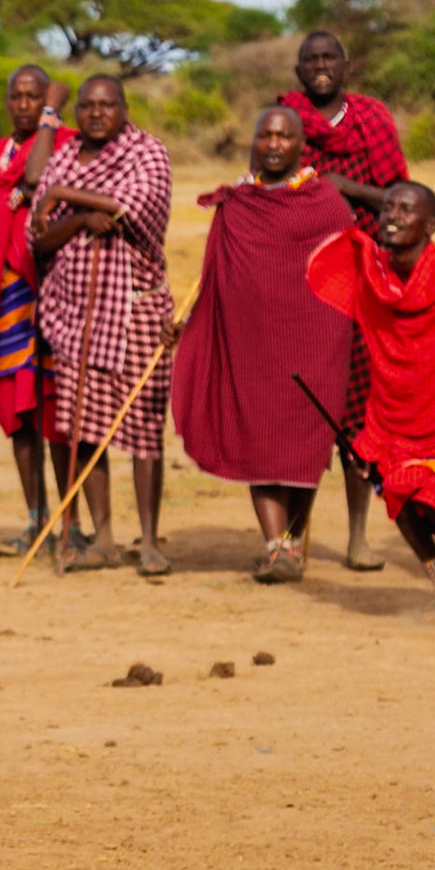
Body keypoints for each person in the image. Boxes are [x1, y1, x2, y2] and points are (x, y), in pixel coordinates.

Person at [308, 182, 435, 626]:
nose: (392, 216)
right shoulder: (374, 274)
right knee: (395, 488)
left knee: (434, 491)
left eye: (406, 209)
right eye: (387, 208)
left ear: (433, 225)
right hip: (396, 410)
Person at [172, 106, 358, 583]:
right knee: (261, 435)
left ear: (301, 145)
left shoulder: (326, 202)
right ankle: (277, 546)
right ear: (253, 141)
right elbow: (216, 273)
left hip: (316, 337)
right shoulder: (237, 202)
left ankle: (292, 541)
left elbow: (345, 269)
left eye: (284, 137)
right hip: (251, 337)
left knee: (306, 439)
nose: (274, 145)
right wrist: (190, 321)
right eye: (265, 136)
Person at [28, 74, 175, 573]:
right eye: (86, 106)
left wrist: (66, 194)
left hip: (135, 309)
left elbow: (133, 208)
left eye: (106, 105)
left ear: (124, 108)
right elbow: (39, 238)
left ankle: (151, 540)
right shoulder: (64, 156)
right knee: (86, 429)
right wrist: (76, 220)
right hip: (76, 313)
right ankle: (105, 538)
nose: (94, 113)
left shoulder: (147, 153)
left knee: (143, 428)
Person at [278, 31, 410, 571]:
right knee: (301, 412)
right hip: (297, 283)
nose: (321, 67)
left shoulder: (374, 121)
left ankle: (358, 536)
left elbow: (402, 201)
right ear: (298, 68)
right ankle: (290, 537)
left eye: (330, 57)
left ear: (347, 65)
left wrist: (345, 189)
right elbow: (264, 186)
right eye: (312, 59)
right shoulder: (283, 121)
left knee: (357, 413)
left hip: (359, 280)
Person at [0, 65, 74, 554]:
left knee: (54, 409)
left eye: (34, 97)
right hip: (0, 300)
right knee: (20, 415)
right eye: (16, 96)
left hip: (47, 293)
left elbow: (37, 177)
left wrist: (51, 116)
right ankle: (35, 518)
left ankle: (69, 522)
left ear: (46, 101)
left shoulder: (64, 141)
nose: (23, 104)